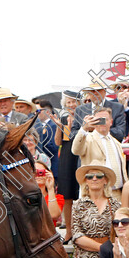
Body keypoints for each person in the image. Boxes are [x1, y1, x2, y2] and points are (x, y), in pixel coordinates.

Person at [70, 160, 120, 258]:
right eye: (89, 176)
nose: (94, 178)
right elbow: (76, 236)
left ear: (105, 180)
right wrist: (103, 248)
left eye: (99, 176)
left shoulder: (115, 205)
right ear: (86, 181)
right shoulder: (78, 205)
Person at [71, 108, 127, 196]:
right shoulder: (88, 138)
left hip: (118, 193)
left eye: (105, 119)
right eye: (98, 120)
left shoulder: (116, 143)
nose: (102, 122)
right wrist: (84, 129)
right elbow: (75, 150)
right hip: (96, 193)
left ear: (111, 122)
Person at [56, 90, 81, 238]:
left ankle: (80, 231)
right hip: (66, 156)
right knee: (67, 194)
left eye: (74, 101)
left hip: (79, 154)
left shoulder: (84, 118)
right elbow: (58, 142)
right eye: (69, 102)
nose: (72, 105)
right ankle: (69, 231)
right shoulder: (63, 118)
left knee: (80, 193)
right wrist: (60, 127)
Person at [34, 160, 63, 226]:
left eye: (41, 172)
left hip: (48, 234)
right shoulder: (23, 197)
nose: (38, 175)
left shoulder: (57, 198)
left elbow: (53, 215)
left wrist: (50, 188)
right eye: (35, 172)